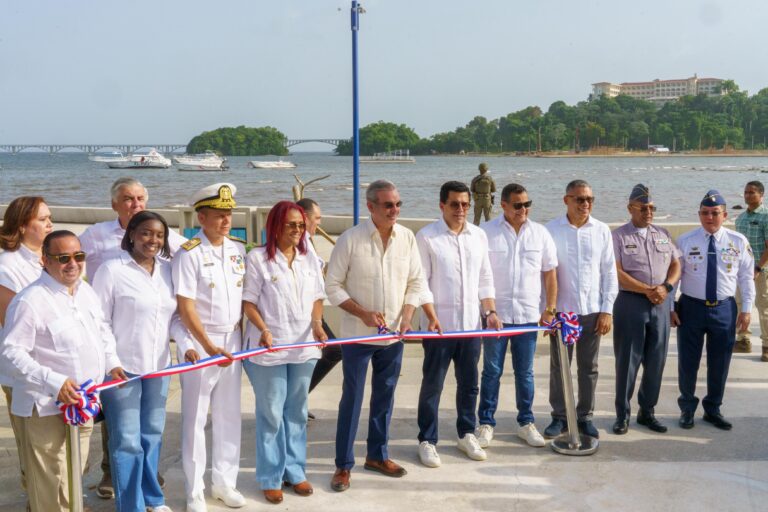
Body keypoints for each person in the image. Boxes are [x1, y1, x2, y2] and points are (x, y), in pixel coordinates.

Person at [0, 230, 126, 512]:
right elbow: (10, 353)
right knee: (47, 482)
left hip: (82, 403)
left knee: (73, 476)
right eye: (63, 258)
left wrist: (112, 363)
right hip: (43, 407)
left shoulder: (86, 292)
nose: (73, 263)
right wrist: (53, 382)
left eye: (78, 256)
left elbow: (102, 331)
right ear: (45, 261)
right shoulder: (30, 301)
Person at [325, 179, 438, 492]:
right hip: (357, 337)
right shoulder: (350, 239)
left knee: (385, 397)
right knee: (352, 399)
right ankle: (343, 465)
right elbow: (332, 287)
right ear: (370, 206)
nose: (395, 210)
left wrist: (408, 314)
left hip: (392, 339)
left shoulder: (407, 238)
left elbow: (416, 281)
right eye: (388, 205)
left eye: (398, 204)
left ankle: (377, 455)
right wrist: (361, 312)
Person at [79, 176, 184, 497]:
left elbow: (178, 312)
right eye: (128, 198)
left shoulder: (166, 268)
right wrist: (110, 362)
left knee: (151, 432)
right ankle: (129, 498)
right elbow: (98, 319)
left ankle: (151, 494)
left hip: (158, 365)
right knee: (123, 436)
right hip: (120, 365)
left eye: (158, 236)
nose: (135, 203)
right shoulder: (105, 256)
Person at [242, 201, 326, 504]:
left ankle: (296, 471)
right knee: (271, 414)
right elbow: (248, 303)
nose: (297, 230)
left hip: (303, 346)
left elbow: (318, 297)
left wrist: (317, 323)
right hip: (269, 350)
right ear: (275, 226)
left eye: (301, 225)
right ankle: (270, 476)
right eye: (291, 224)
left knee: (297, 412)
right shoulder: (257, 259)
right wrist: (263, 329)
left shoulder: (309, 258)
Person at [172, 183, 247, 511]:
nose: (226, 219)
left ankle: (224, 483)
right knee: (196, 420)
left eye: (228, 213)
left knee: (229, 415)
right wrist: (208, 345)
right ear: (201, 217)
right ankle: (194, 491)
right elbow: (186, 307)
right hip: (202, 342)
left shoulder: (238, 250)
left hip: (232, 340)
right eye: (219, 214)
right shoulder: (189, 253)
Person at [415, 181, 500, 468]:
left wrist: (489, 311)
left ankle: (466, 433)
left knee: (469, 385)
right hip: (440, 328)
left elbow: (485, 278)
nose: (461, 209)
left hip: (471, 327)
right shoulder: (427, 237)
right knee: (433, 386)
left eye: (466, 204)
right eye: (455, 204)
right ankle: (427, 440)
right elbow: (420, 282)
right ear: (442, 206)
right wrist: (430, 315)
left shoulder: (478, 235)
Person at [478, 183, 558, 448]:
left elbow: (550, 274)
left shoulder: (541, 234)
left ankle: (526, 422)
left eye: (527, 204)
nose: (523, 209)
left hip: (527, 315)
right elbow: (479, 273)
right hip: (495, 317)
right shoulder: (486, 233)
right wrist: (487, 309)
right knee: (491, 371)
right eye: (517, 205)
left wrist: (550, 309)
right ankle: (486, 423)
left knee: (525, 373)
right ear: (503, 205)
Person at [673, 189, 755, 431]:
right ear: (699, 215)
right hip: (691, 308)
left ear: (725, 215)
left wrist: (747, 309)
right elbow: (675, 277)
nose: (710, 217)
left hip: (724, 309)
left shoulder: (738, 242)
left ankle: (713, 409)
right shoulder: (686, 241)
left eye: (715, 213)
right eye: (705, 213)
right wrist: (670, 306)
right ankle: (687, 408)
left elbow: (746, 278)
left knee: (720, 362)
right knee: (688, 362)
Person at [544, 180, 618, 439]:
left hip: (591, 311)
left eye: (589, 199)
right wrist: (547, 311)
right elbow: (545, 273)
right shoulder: (551, 230)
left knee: (589, 367)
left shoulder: (601, 230)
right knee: (559, 368)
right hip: (563, 313)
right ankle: (560, 417)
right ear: (566, 200)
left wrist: (607, 310)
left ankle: (585, 416)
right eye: (579, 199)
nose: (585, 204)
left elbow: (609, 272)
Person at [611, 184, 681, 435]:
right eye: (643, 208)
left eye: (652, 208)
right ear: (631, 208)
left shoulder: (662, 233)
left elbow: (676, 264)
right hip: (631, 304)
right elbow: (616, 273)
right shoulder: (618, 236)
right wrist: (646, 289)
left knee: (657, 361)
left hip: (660, 305)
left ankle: (647, 411)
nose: (648, 212)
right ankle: (622, 415)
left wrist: (667, 287)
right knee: (627, 361)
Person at [0, 196, 53, 506]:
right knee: (32, 445)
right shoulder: (6, 266)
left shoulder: (49, 258)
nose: (50, 223)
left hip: (57, 367)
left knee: (53, 446)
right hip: (24, 371)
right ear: (21, 227)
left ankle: (60, 498)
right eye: (43, 219)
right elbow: (10, 320)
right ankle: (38, 500)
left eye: (50, 217)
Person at [296, 198, 342, 405]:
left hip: (313, 310)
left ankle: (299, 399)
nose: (319, 223)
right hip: (304, 311)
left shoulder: (307, 240)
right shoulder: (297, 241)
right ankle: (297, 400)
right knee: (332, 351)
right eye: (317, 218)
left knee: (330, 352)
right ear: (304, 217)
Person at [734, 180, 768, 360]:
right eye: (746, 192)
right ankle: (743, 340)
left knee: (764, 308)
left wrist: (758, 267)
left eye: (751, 193)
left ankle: (766, 345)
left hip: (762, 271)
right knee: (740, 305)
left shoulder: (766, 216)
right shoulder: (740, 219)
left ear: (761, 195)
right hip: (742, 272)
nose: (747, 195)